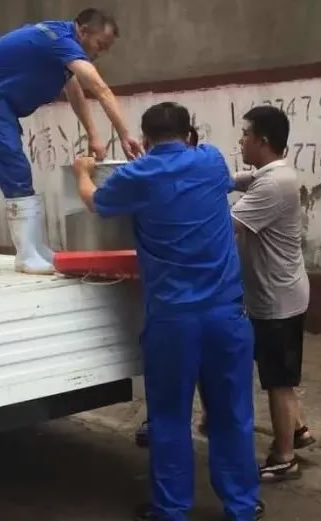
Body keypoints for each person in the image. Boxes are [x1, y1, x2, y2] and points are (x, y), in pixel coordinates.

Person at [72, 102, 263, 521]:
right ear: (189, 133)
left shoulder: (135, 176)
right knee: (232, 414)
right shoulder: (211, 161)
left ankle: (172, 509)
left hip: (173, 320)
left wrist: (82, 172)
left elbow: (94, 201)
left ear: (144, 138)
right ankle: (242, 505)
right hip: (226, 316)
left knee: (170, 416)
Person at [0, 8, 141, 275]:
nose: (99, 53)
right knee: (15, 167)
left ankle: (36, 248)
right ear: (83, 31)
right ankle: (27, 255)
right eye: (100, 45)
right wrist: (124, 134)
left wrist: (94, 136)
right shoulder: (58, 40)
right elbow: (99, 88)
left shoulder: (62, 47)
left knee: (18, 168)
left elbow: (75, 90)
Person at [231, 106, 314, 482]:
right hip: (283, 292)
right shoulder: (274, 174)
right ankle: (298, 429)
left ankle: (284, 457)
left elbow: (227, 225)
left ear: (262, 141)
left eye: (245, 134)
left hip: (276, 300)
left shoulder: (272, 185)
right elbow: (239, 179)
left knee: (277, 380)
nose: (241, 140)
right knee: (282, 371)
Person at [133, 124, 208, 449]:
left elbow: (98, 200)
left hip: (181, 302)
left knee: (184, 369)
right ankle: (160, 419)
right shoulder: (207, 167)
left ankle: (177, 420)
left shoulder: (196, 181)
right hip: (186, 297)